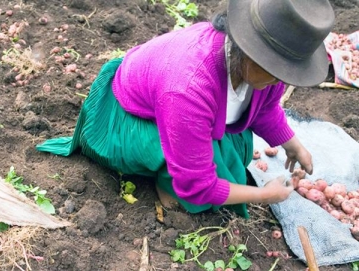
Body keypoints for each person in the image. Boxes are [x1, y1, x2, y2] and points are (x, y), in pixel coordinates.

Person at [36, 0, 336, 218]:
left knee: (237, 152)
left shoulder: (261, 70)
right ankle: (168, 190)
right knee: (204, 179)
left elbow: (265, 108)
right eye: (275, 70)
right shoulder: (189, 87)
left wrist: (291, 143)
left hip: (182, 110)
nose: (279, 80)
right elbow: (199, 185)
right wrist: (263, 195)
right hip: (128, 118)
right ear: (249, 49)